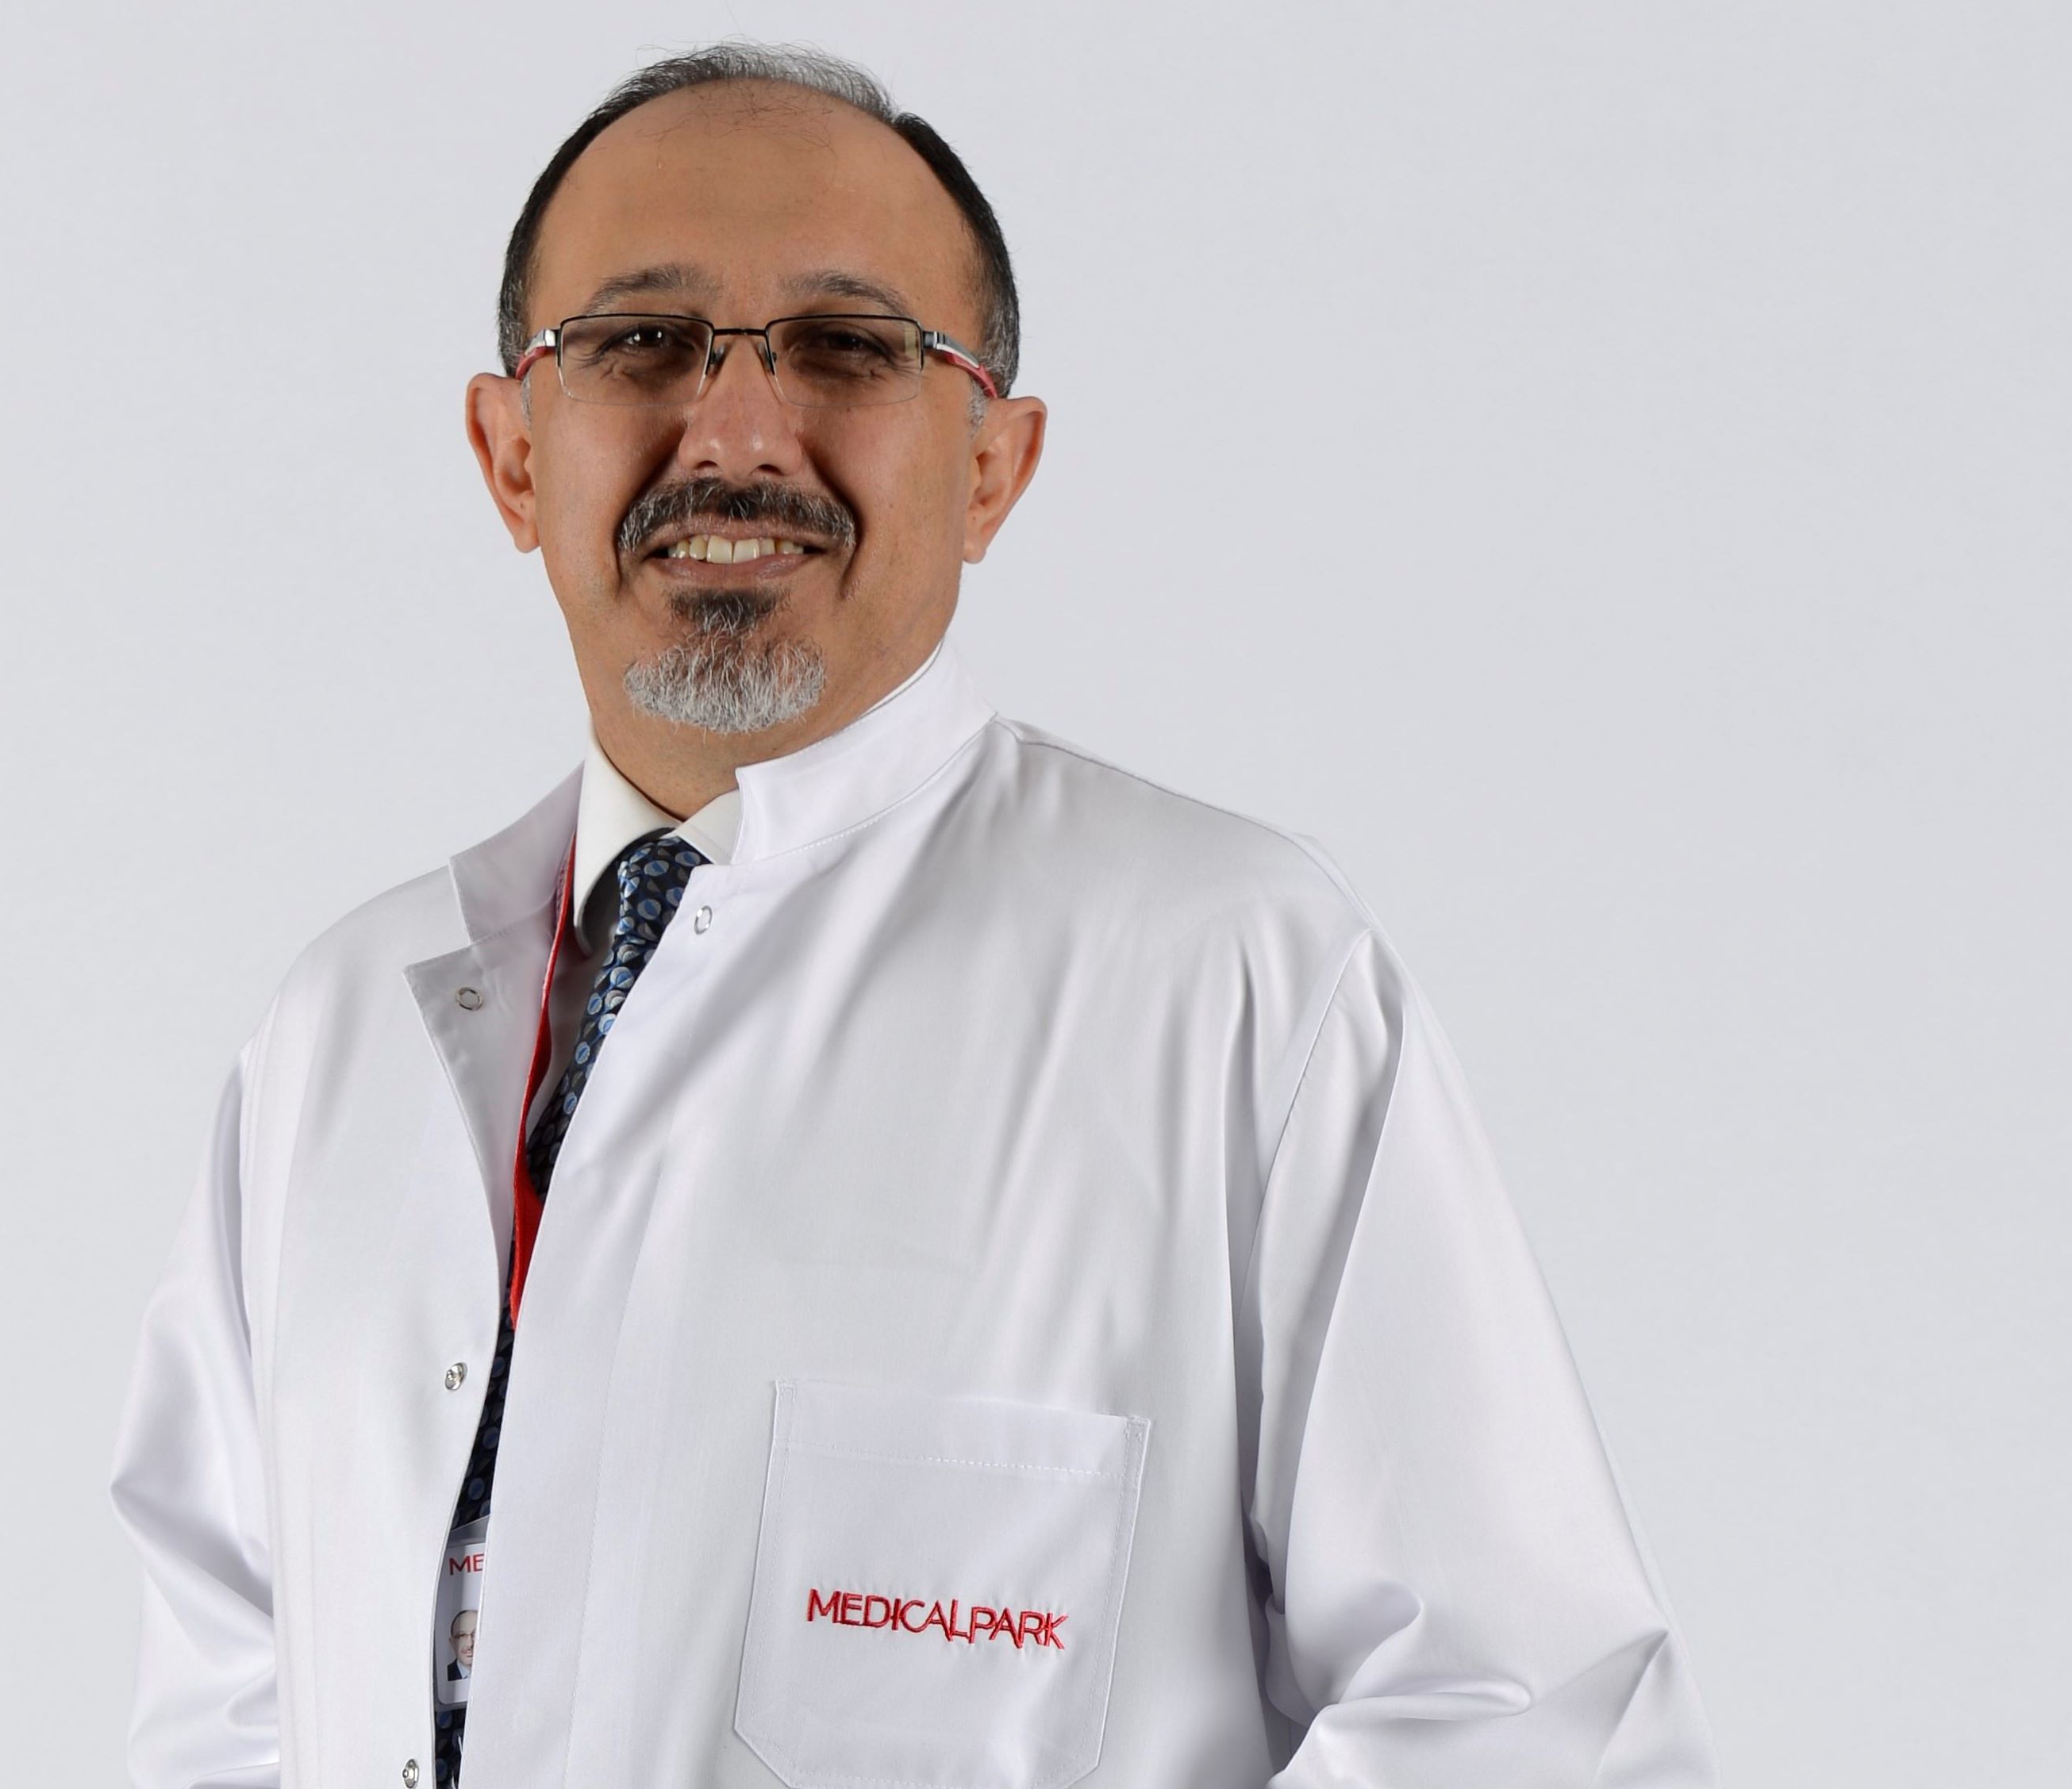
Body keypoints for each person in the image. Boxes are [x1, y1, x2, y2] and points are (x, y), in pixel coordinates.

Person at [110, 41, 1715, 1789]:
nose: (735, 435)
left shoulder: (1226, 979)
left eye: (846, 348)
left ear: (991, 468)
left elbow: (1531, 1718)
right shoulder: (343, 1029)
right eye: (637, 343)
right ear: (510, 456)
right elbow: (229, 1694)